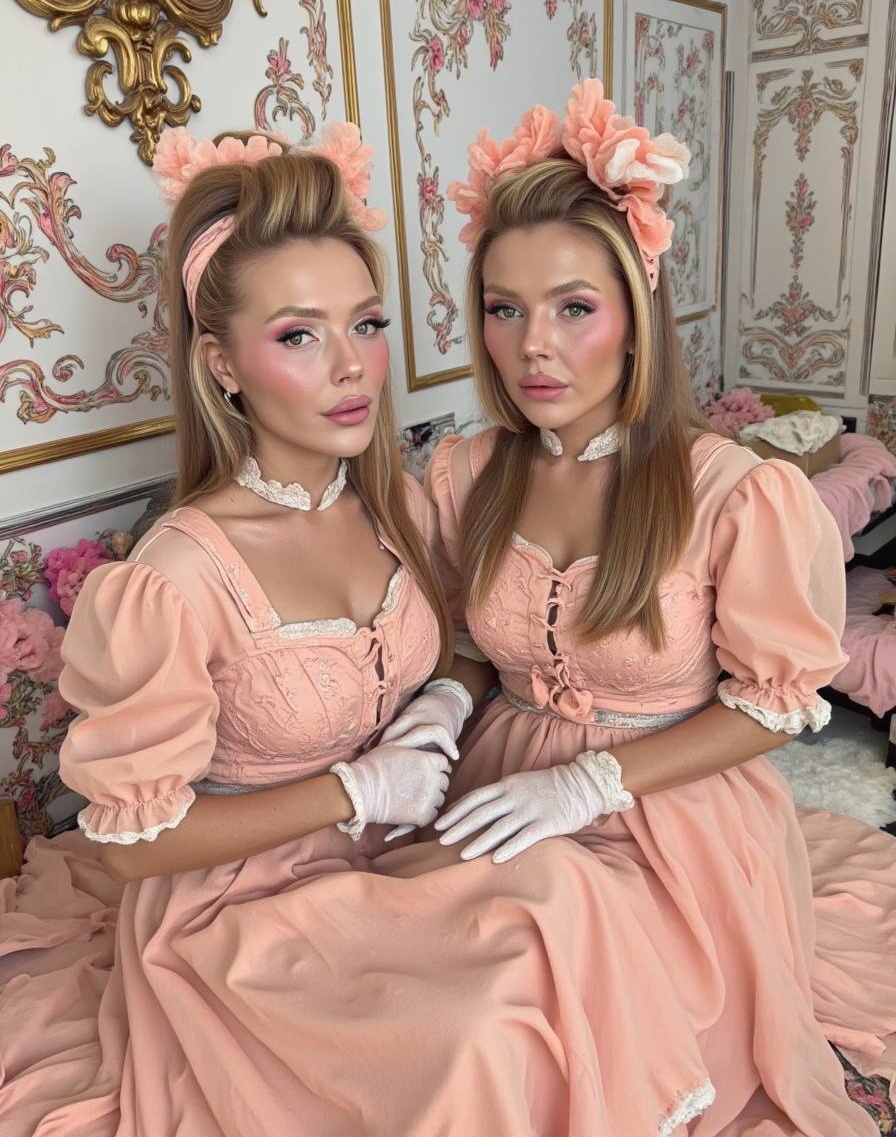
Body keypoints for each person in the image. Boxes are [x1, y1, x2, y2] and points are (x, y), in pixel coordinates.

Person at [0, 123, 721, 1137]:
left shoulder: (397, 507)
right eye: (299, 336)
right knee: (480, 1027)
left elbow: (469, 640)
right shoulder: (172, 577)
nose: (351, 368)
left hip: (388, 857)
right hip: (242, 913)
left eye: (367, 325)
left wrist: (446, 698)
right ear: (221, 362)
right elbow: (130, 851)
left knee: (571, 889)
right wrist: (352, 790)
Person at [386, 79, 896, 1134]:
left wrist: (591, 783)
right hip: (499, 784)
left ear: (633, 316)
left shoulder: (730, 492)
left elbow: (773, 704)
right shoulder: (464, 474)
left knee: (540, 1018)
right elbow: (474, 639)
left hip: (671, 811)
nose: (533, 346)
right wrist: (447, 696)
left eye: (573, 307)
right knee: (425, 1004)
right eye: (504, 308)